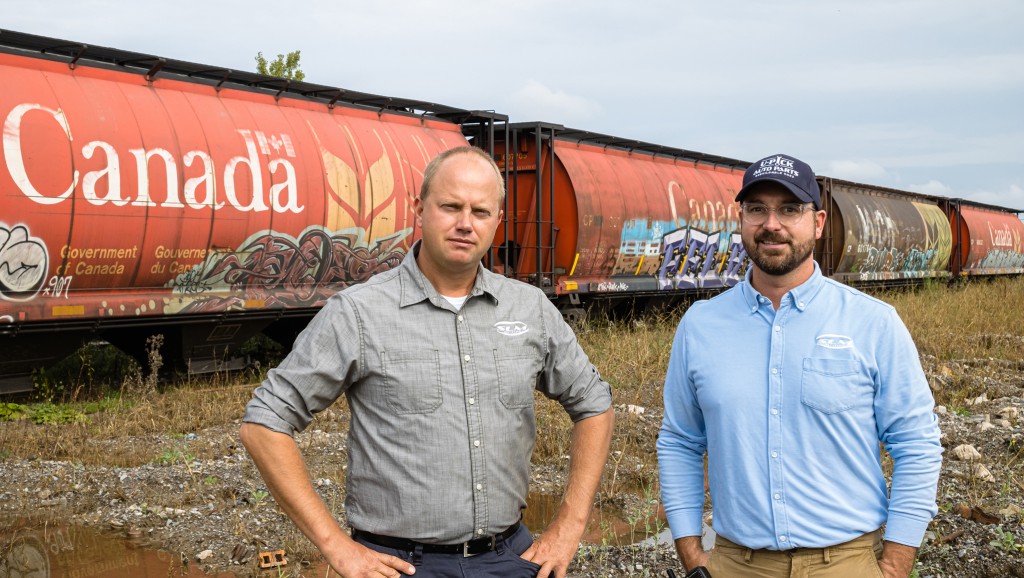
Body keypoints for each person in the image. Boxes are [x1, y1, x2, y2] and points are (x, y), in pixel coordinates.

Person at [240, 145, 614, 578]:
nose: (464, 224)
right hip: (401, 566)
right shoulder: (359, 313)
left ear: (498, 220)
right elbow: (264, 423)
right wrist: (336, 547)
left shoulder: (528, 308)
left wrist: (570, 524)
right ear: (418, 208)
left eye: (480, 211)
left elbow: (594, 404)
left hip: (510, 559)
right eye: (450, 206)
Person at [657, 153, 942, 578]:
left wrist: (896, 564)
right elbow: (680, 441)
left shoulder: (873, 323)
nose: (772, 223)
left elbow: (917, 444)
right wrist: (692, 552)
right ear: (741, 220)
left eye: (790, 209)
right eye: (757, 209)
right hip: (736, 564)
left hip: (846, 562)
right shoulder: (700, 325)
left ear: (819, 223)